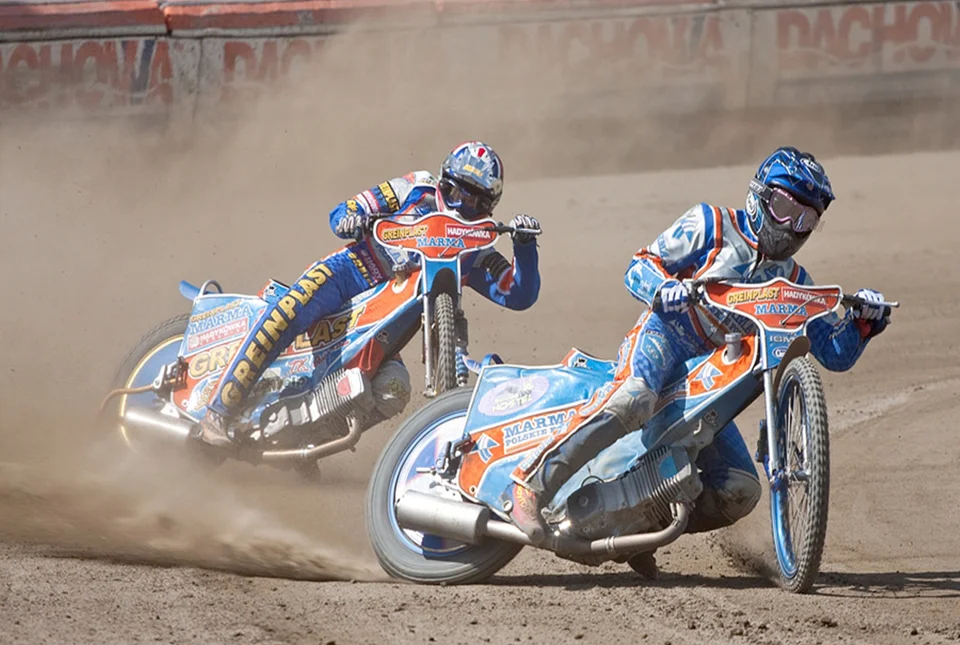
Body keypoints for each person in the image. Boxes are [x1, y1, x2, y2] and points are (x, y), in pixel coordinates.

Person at [507, 147, 892, 569]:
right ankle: (530, 483)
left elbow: (833, 353)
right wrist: (663, 288)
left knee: (741, 489)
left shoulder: (795, 281)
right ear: (759, 196)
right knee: (632, 398)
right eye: (783, 208)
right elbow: (639, 266)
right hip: (667, 339)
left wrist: (862, 324)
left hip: (714, 377)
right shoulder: (709, 224)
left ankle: (638, 532)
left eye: (806, 219)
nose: (791, 228)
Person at [193, 141, 542, 448]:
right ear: (441, 182)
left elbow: (518, 294)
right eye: (454, 192)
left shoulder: (476, 249)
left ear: (488, 208)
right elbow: (347, 209)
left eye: (473, 202)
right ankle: (218, 411)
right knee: (289, 311)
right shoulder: (415, 186)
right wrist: (353, 218)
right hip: (352, 272)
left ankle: (305, 438)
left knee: (394, 389)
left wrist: (525, 247)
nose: (458, 206)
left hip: (387, 320)